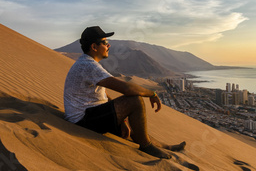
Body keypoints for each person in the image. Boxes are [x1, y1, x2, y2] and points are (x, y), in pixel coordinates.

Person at [63, 26, 185, 159]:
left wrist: (123, 120)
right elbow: (127, 89)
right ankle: (146, 146)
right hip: (83, 121)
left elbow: (101, 95)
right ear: (94, 47)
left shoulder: (87, 64)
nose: (108, 45)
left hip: (90, 116)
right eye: (104, 42)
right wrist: (152, 94)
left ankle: (167, 147)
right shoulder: (88, 66)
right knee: (135, 100)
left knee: (137, 126)